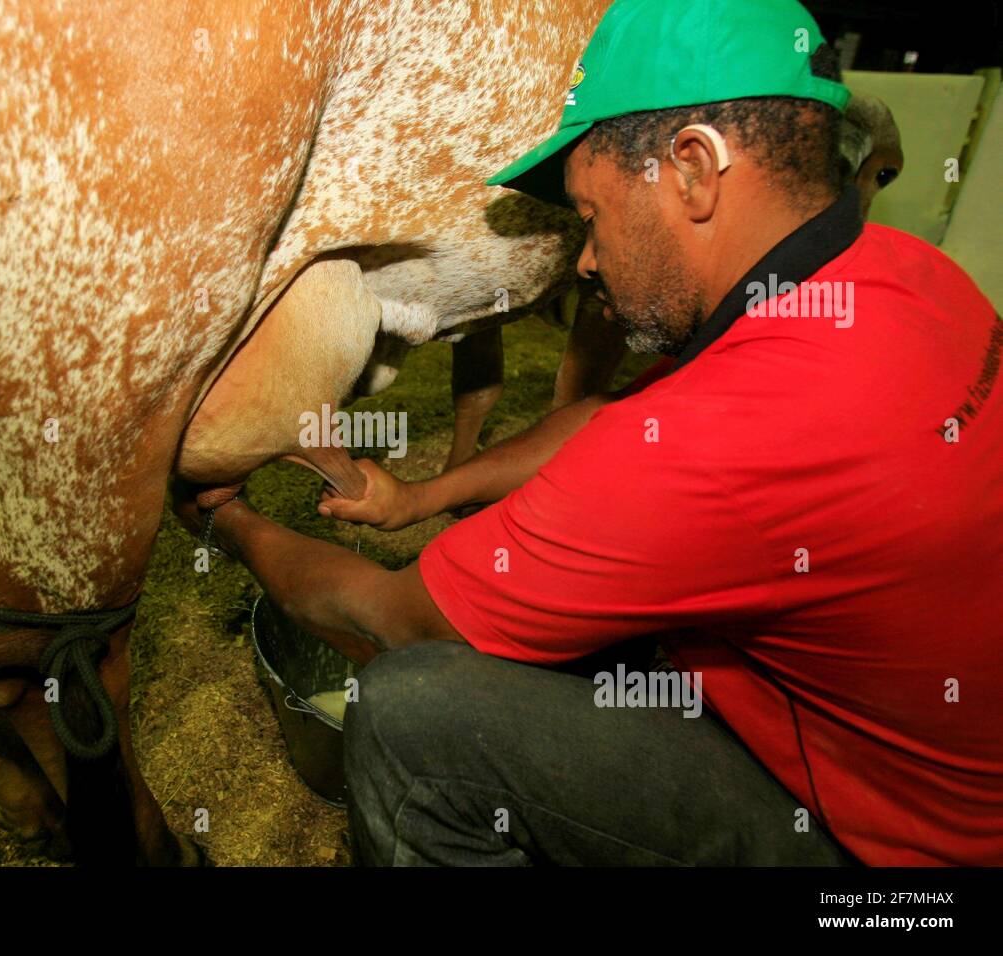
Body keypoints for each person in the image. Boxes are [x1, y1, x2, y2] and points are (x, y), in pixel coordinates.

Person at [176, 0, 1003, 866]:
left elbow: (392, 616)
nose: (584, 261)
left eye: (593, 216)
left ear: (693, 168)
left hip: (894, 870)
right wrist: (422, 495)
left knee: (417, 713)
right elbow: (618, 420)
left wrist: (233, 528)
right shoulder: (909, 276)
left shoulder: (721, 447)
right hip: (923, 766)